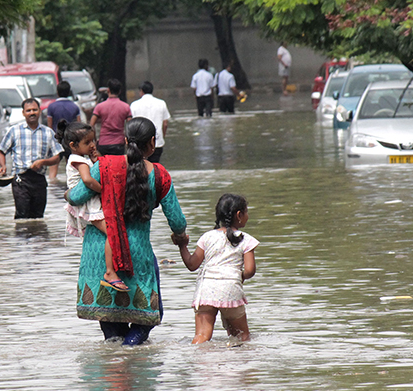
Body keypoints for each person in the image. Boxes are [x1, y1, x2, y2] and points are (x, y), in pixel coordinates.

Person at [65, 117, 187, 345]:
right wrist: (180, 238)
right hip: (137, 253)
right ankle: (130, 352)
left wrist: (67, 195)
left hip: (100, 254)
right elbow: (177, 221)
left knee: (112, 332)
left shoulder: (104, 166)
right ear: (152, 143)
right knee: (147, 319)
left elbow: (77, 196)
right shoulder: (159, 174)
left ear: (124, 140)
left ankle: (117, 362)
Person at [32, 119, 129, 291]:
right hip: (89, 205)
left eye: (93, 140)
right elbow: (87, 180)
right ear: (73, 145)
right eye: (87, 142)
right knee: (112, 232)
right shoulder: (79, 160)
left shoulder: (80, 158)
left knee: (110, 232)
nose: (92, 144)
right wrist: (103, 190)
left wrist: (94, 158)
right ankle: (110, 272)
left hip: (87, 204)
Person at [174, 193, 258, 344]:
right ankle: (237, 363)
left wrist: (182, 246)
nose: (248, 215)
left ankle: (199, 363)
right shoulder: (246, 239)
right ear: (239, 215)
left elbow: (192, 264)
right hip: (230, 289)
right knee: (241, 336)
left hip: (206, 290)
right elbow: (250, 270)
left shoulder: (207, 237)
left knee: (202, 336)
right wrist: (241, 276)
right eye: (247, 211)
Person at [0, 98, 63, 219]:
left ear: (39, 111)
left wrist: (43, 162)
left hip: (39, 180)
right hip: (20, 180)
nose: (32, 113)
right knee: (22, 216)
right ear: (23, 113)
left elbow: (58, 156)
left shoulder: (48, 133)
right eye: (28, 110)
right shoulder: (14, 131)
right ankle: (20, 237)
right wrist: (3, 166)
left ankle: (37, 237)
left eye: (34, 110)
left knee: (38, 217)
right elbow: (1, 151)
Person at [46, 80, 82, 180]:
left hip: (56, 140)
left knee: (53, 167)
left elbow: (49, 127)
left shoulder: (51, 107)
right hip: (70, 140)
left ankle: (53, 188)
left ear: (57, 92)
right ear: (69, 92)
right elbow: (78, 125)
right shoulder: (75, 107)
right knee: (70, 166)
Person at [130, 81, 171, 163]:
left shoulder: (134, 105)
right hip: (157, 141)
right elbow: (165, 124)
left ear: (141, 91)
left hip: (140, 142)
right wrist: (163, 136)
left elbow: (131, 125)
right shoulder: (161, 103)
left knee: (140, 166)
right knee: (155, 166)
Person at [89, 79, 131, 156]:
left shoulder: (99, 107)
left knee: (105, 166)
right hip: (119, 143)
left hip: (103, 143)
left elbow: (91, 125)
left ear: (108, 90)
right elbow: (130, 125)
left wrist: (95, 140)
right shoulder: (126, 107)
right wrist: (127, 140)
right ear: (119, 91)